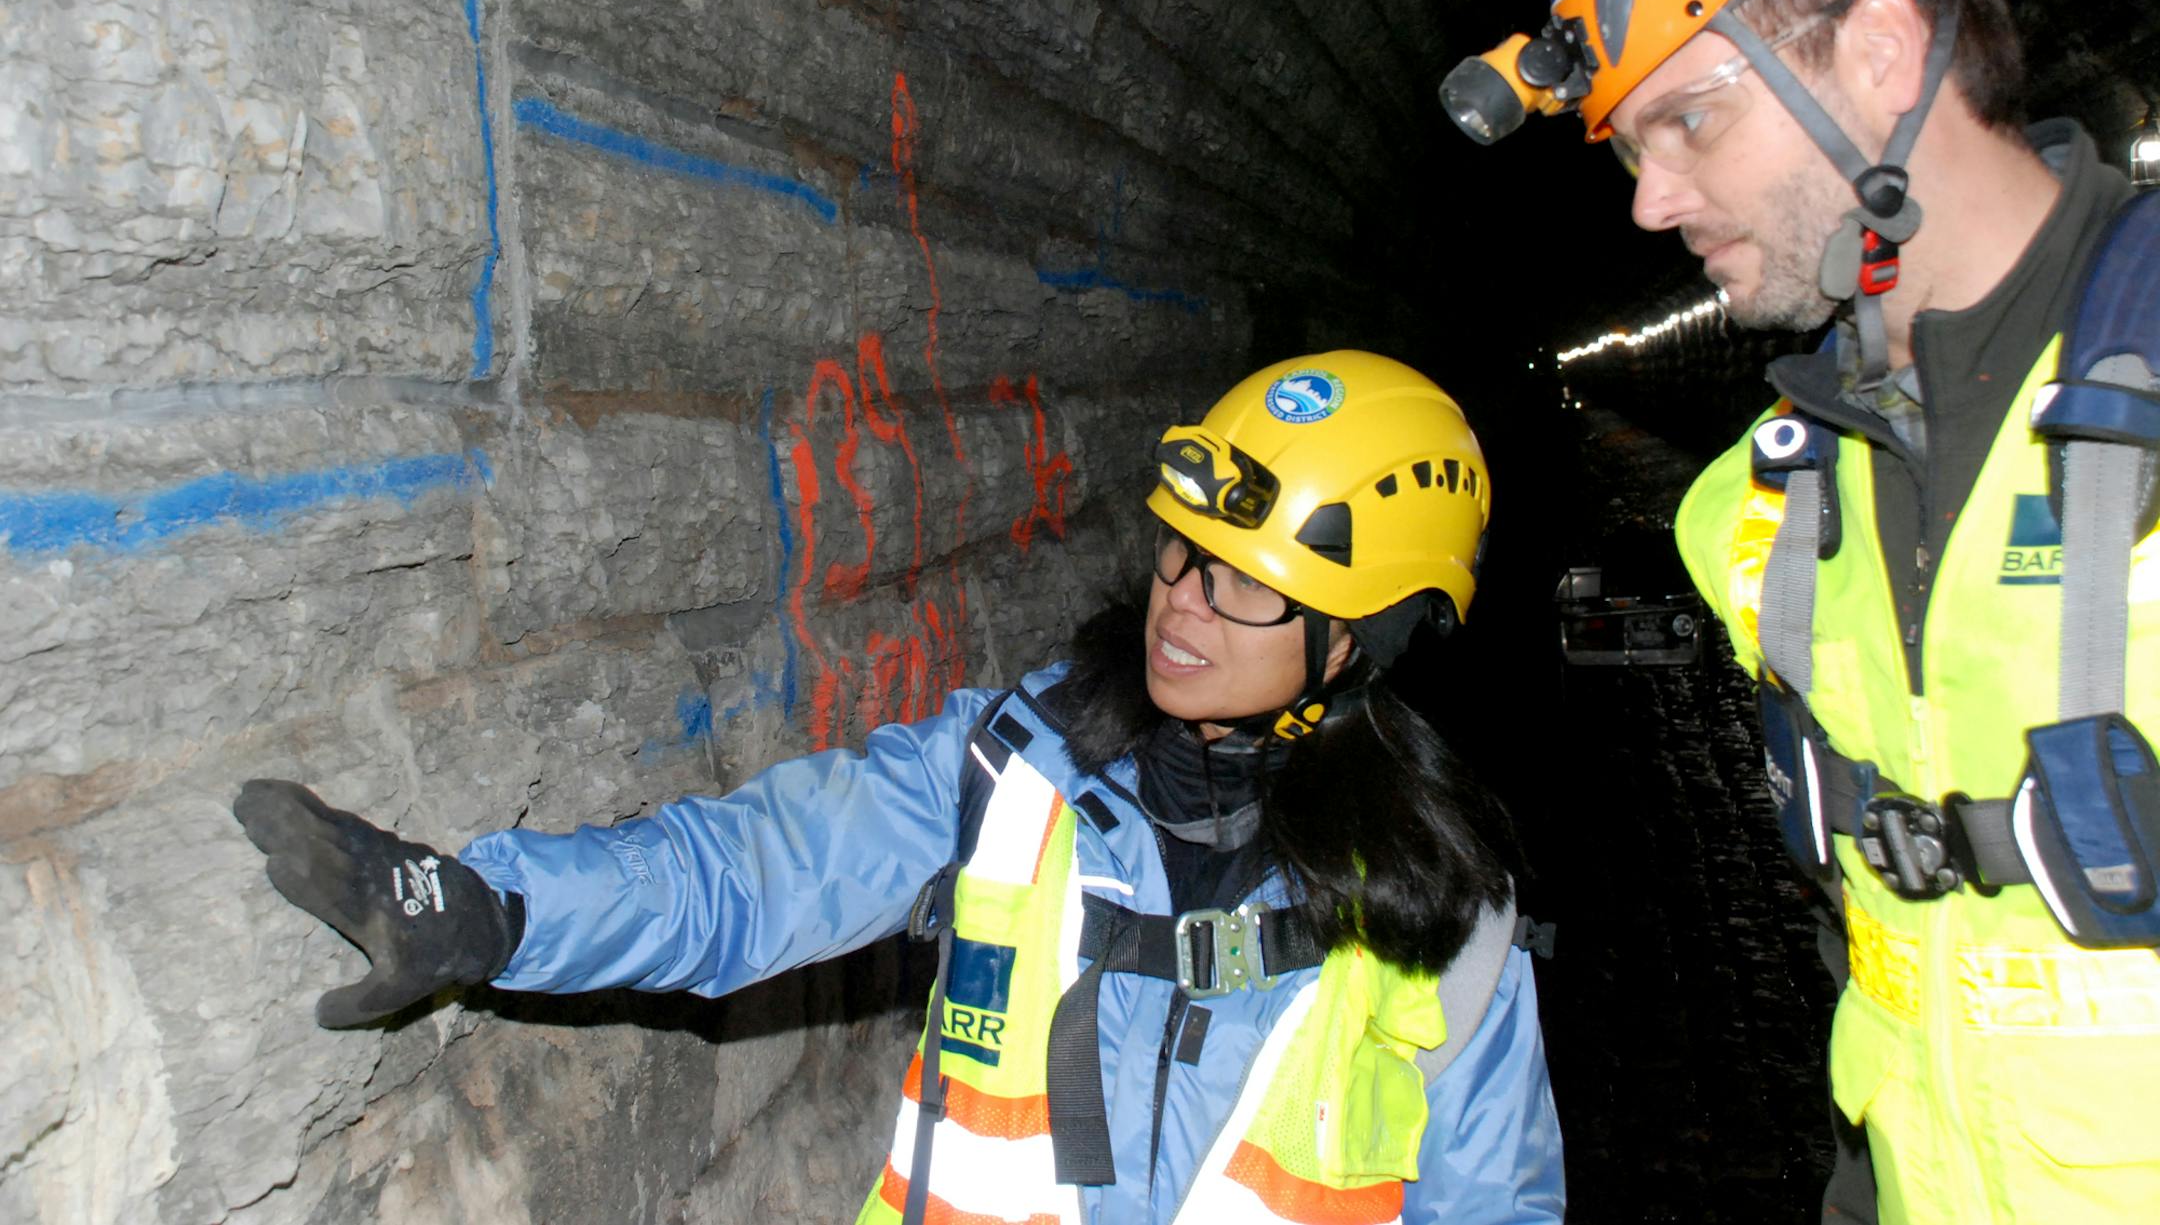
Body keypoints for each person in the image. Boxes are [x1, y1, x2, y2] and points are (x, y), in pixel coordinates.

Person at [237, 349, 1566, 1224]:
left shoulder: (1442, 919)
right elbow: (752, 869)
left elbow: (1495, 1201)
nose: (1182, 605)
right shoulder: (1013, 769)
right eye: (1178, 551)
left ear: (1363, 639)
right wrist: (490, 907)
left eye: (1245, 582)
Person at [1443, 0, 2160, 1223]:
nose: (1650, 201)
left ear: (1886, 49)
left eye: (1689, 123)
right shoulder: (1759, 521)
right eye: (1631, 149)